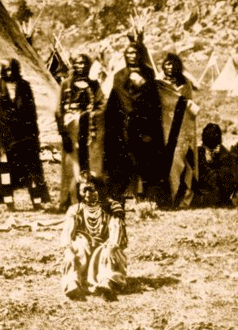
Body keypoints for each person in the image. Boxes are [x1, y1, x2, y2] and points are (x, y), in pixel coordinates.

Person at [0, 59, 49, 211]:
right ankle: (9, 203)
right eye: (7, 69)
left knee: (30, 169)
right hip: (5, 137)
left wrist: (32, 131)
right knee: (6, 170)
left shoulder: (24, 86)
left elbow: (31, 111)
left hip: (24, 136)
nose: (10, 73)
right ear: (3, 70)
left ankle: (37, 202)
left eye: (12, 69)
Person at [102, 40, 165, 206]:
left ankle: (144, 195)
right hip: (124, 123)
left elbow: (153, 99)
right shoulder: (119, 75)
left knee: (145, 159)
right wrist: (130, 111)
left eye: (135, 53)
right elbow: (119, 98)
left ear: (140, 55)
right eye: (129, 53)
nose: (132, 56)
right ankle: (124, 193)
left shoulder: (149, 74)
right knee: (124, 159)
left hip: (144, 123)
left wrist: (142, 85)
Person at [60, 173, 127, 301]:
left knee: (107, 252)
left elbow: (116, 230)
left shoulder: (112, 208)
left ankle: (107, 282)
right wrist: (67, 250)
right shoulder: (75, 210)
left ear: (100, 189)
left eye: (91, 189)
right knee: (77, 246)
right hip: (84, 254)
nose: (87, 194)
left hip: (106, 249)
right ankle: (72, 283)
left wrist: (112, 247)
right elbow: (66, 232)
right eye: (83, 190)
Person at [55, 53, 105, 210]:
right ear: (73, 65)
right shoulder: (66, 84)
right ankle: (68, 201)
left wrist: (90, 115)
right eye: (77, 63)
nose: (80, 66)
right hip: (71, 129)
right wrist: (63, 131)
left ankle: (88, 198)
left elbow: (101, 104)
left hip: (89, 128)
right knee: (71, 164)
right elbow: (58, 110)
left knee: (88, 164)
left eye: (84, 63)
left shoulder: (94, 84)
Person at [194, 123, 234, 207]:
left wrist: (218, 158)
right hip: (204, 186)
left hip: (220, 186)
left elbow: (228, 169)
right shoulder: (199, 151)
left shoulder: (223, 151)